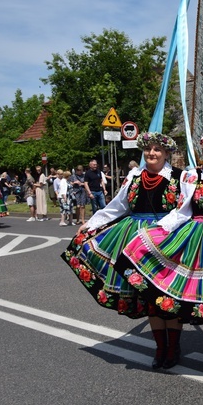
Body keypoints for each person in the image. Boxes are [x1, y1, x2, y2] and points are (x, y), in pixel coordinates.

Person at [119, 130, 203, 376]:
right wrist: (155, 232)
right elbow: (182, 211)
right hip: (202, 239)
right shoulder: (192, 176)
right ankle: (181, 347)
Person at [61, 132, 183, 369]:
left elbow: (184, 210)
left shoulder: (180, 177)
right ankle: (160, 347)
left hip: (166, 237)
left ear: (167, 152)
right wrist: (91, 224)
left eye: (157, 149)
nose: (152, 153)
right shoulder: (135, 176)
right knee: (148, 295)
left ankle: (174, 347)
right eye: (148, 149)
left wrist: (166, 229)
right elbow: (117, 206)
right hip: (136, 238)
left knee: (167, 293)